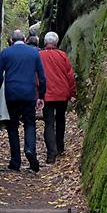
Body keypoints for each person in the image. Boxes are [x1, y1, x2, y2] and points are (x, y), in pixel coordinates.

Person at [0, 29, 47, 172]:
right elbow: (42, 77)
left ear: (11, 40)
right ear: (24, 39)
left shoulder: (5, 53)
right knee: (29, 123)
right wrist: (41, 96)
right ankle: (30, 150)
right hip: (29, 94)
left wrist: (1, 89)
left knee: (13, 126)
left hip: (11, 94)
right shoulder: (34, 53)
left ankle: (15, 161)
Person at [39, 31, 77, 164]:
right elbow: (70, 76)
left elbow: (36, 76)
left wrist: (37, 94)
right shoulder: (62, 55)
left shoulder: (39, 56)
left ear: (45, 42)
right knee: (60, 120)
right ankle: (59, 147)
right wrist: (72, 93)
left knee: (49, 123)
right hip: (62, 94)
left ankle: (51, 154)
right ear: (56, 43)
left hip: (47, 94)